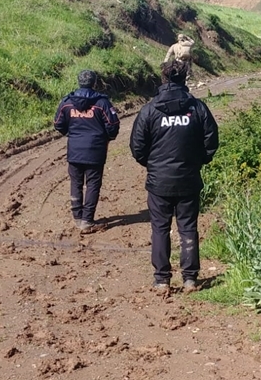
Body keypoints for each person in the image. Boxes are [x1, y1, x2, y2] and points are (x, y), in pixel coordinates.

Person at [129, 59, 219, 294]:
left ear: (164, 78)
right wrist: (198, 162)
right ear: (184, 79)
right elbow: (211, 141)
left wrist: (153, 165)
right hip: (188, 178)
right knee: (188, 227)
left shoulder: (149, 110)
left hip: (159, 181)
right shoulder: (197, 108)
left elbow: (137, 147)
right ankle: (190, 278)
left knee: (160, 228)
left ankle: (162, 280)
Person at [53, 69, 120, 233]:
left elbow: (58, 124)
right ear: (94, 83)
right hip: (96, 151)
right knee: (93, 185)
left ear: (79, 81)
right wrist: (107, 138)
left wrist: (72, 134)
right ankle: (87, 220)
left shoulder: (67, 102)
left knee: (76, 183)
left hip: (74, 150)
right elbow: (113, 125)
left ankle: (77, 217)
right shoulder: (102, 102)